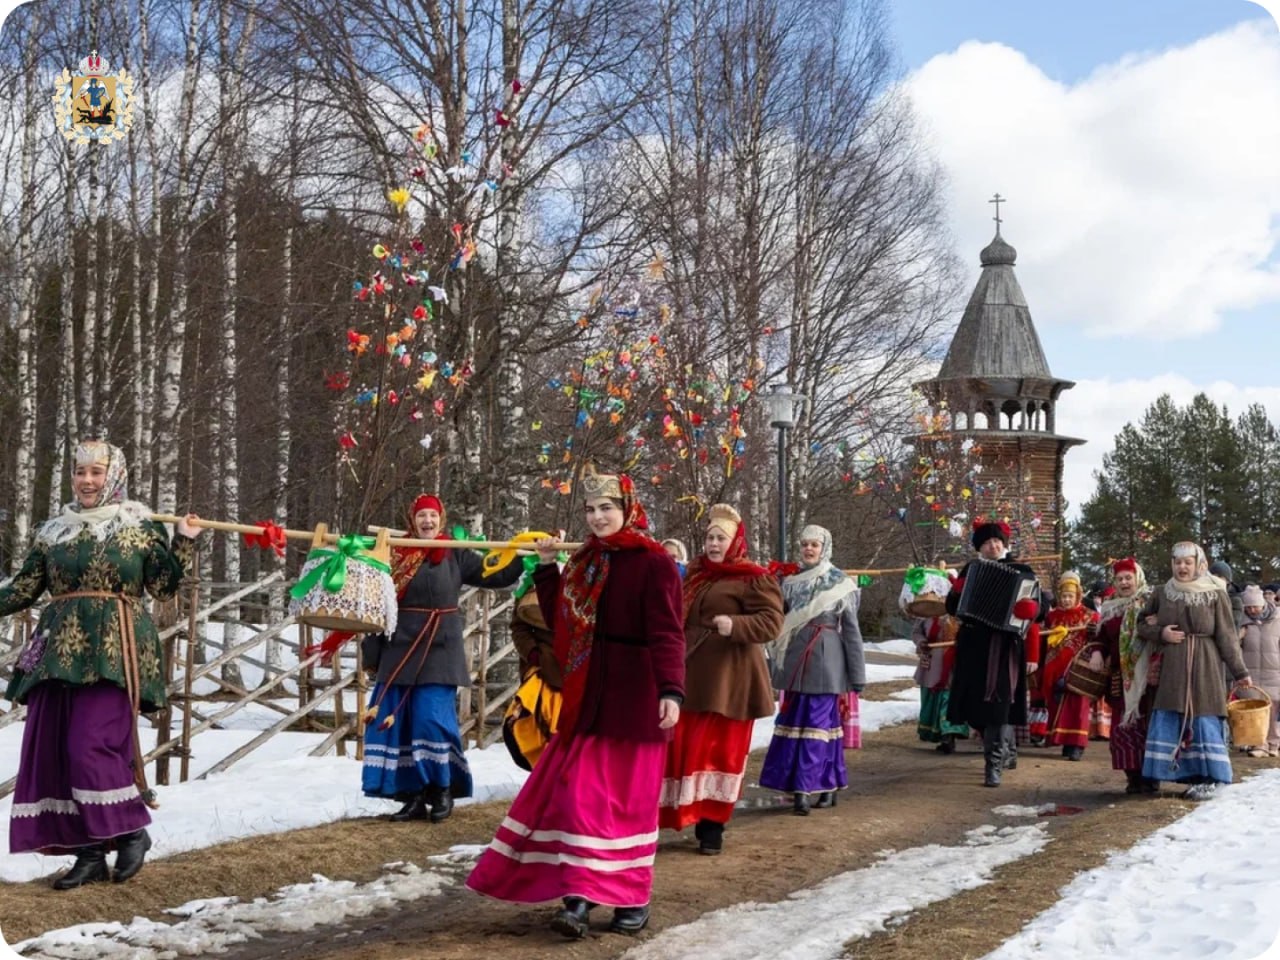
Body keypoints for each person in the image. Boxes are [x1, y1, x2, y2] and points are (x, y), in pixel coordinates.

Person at [466, 466, 684, 938]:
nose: (598, 517)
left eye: (607, 508)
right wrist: (546, 569)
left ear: (628, 510)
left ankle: (632, 897)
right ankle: (578, 898)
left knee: (627, 804)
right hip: (587, 700)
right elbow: (563, 623)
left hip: (637, 698)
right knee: (580, 795)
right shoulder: (586, 561)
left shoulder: (654, 562)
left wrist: (671, 689)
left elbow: (668, 630)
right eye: (590, 509)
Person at [0, 439, 201, 888]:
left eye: (96, 472)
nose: (87, 481)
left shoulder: (139, 526)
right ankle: (89, 853)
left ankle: (131, 830)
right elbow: (21, 589)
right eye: (80, 472)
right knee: (56, 751)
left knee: (89, 745)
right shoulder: (53, 531)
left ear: (114, 476)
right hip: (57, 653)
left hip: (116, 647)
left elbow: (164, 587)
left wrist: (184, 544)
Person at [359, 494, 522, 823]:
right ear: (412, 520)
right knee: (397, 723)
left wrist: (525, 554)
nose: (427, 522)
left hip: (439, 647)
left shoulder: (454, 554)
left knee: (431, 721)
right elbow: (374, 602)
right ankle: (412, 796)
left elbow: (496, 575)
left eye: (432, 516)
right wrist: (372, 653)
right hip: (399, 647)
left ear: (441, 519)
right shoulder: (393, 552)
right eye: (421, 516)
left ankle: (442, 790)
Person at [659, 504, 783, 853]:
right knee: (684, 749)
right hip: (690, 672)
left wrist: (738, 625)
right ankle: (681, 814)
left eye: (721, 538)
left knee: (719, 752)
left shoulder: (753, 576)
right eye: (710, 537)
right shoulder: (695, 572)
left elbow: (773, 622)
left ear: (735, 541)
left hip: (730, 680)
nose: (714, 544)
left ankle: (712, 826)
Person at [759, 526, 864, 814]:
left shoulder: (840, 584)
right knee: (796, 723)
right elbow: (777, 623)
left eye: (814, 545)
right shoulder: (790, 583)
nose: (808, 549)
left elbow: (852, 633)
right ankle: (824, 784)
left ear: (824, 547)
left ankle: (806, 787)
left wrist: (857, 674)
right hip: (795, 661)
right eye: (804, 544)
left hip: (827, 661)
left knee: (819, 726)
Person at [1139, 541, 1252, 801]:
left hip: (1206, 663)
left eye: (1188, 562)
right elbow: (1141, 624)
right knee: (1174, 714)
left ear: (1199, 564)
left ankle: (1214, 777)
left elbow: (1226, 635)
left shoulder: (1215, 593)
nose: (1182, 567)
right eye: (1178, 562)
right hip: (1174, 667)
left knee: (1204, 716)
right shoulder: (1163, 592)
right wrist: (1162, 632)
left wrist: (1240, 671)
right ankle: (1185, 776)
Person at [945, 520, 1044, 787]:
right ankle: (1002, 749)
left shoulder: (1022, 571)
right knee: (975, 709)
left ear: (1005, 543)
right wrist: (955, 593)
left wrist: (1031, 609)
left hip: (1004, 648)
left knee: (999, 706)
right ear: (980, 547)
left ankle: (994, 763)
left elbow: (1042, 607)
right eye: (988, 542)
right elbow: (953, 608)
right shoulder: (972, 569)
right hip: (973, 647)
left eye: (997, 541)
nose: (994, 545)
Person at [1097, 558, 1158, 793]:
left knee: (1147, 727)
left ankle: (1150, 778)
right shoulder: (1109, 607)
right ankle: (1132, 777)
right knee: (1123, 731)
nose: (1124, 582)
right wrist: (1097, 652)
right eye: (1120, 578)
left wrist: (1156, 622)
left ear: (1138, 578)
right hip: (1120, 680)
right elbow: (1099, 639)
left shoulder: (1151, 602)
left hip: (1147, 679)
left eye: (1128, 578)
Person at [1040, 571, 1101, 761]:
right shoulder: (1052, 617)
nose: (1066, 600)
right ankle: (1064, 741)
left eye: (1070, 596)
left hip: (1078, 669)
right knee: (1058, 706)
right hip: (1055, 669)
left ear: (1078, 596)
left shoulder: (1089, 616)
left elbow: (1097, 639)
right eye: (1063, 596)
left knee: (1078, 706)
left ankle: (1077, 744)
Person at [913, 611, 968, 754]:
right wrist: (922, 643)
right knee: (932, 699)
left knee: (948, 698)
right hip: (932, 662)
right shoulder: (926, 611)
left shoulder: (961, 611)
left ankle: (948, 735)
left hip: (954, 662)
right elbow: (917, 633)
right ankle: (938, 733)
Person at [1237, 584, 1280, 758]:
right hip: (1251, 671)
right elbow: (1235, 647)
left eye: (1255, 606)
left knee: (1273, 709)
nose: (1252, 610)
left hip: (1274, 670)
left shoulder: (1277, 619)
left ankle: (1274, 743)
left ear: (1262, 604)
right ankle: (1259, 744)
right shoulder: (1242, 622)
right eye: (1249, 607)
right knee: (1256, 710)